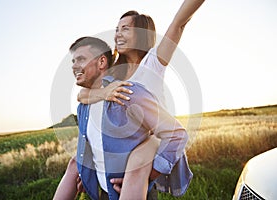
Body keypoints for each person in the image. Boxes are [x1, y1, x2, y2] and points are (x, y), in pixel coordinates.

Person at [54, 0, 205, 199]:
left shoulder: (153, 62)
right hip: (124, 147)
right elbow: (83, 95)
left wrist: (149, 174)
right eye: (117, 29)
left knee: (138, 162)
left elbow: (179, 23)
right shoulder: (113, 74)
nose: (117, 34)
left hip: (153, 140)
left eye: (125, 28)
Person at [61, 36, 187, 200]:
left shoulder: (128, 93)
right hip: (105, 194)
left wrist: (148, 175)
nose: (74, 66)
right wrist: (87, 176)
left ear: (101, 62)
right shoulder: (83, 107)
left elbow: (176, 134)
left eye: (81, 59)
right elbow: (93, 148)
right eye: (73, 61)